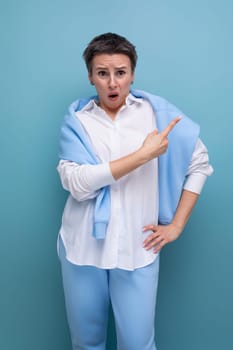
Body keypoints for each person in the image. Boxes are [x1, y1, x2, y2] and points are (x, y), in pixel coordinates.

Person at [57, 32, 213, 350]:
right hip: (82, 247)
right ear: (90, 77)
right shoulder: (77, 122)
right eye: (103, 73)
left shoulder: (157, 116)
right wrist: (142, 156)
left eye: (120, 72)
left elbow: (200, 163)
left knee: (138, 344)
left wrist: (177, 226)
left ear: (132, 74)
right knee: (85, 342)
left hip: (137, 248)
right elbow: (77, 184)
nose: (112, 83)